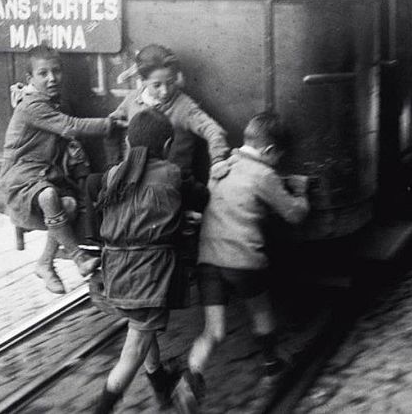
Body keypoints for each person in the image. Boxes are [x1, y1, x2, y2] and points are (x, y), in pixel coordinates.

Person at [173, 112, 310, 413]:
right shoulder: (265, 175)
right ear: (270, 152)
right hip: (243, 262)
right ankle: (272, 364)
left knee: (213, 331)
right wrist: (300, 191)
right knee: (261, 310)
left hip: (208, 260)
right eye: (278, 157)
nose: (277, 162)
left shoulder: (220, 167)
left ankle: (190, 378)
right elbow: (295, 214)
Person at [91, 108, 186, 414]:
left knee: (140, 330)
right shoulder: (172, 173)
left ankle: (160, 382)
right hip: (148, 273)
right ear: (168, 146)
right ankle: (102, 408)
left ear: (129, 144)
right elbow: (196, 197)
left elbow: (93, 187)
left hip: (116, 270)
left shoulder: (113, 174)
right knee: (132, 351)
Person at [0, 44, 112, 294]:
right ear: (30, 79)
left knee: (68, 206)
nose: (52, 78)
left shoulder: (54, 102)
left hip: (41, 175)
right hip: (20, 176)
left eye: (57, 71)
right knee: (50, 197)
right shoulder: (32, 105)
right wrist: (109, 125)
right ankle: (79, 257)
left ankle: (45, 264)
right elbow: (70, 126)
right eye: (43, 74)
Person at [109, 44, 231, 188]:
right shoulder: (132, 100)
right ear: (143, 81)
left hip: (172, 184)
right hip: (134, 182)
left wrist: (218, 159)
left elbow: (213, 130)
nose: (165, 91)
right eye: (157, 85)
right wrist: (115, 164)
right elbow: (110, 126)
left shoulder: (184, 106)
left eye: (171, 82)